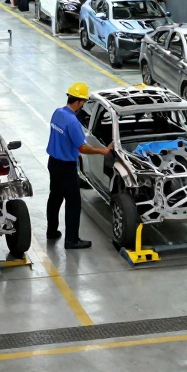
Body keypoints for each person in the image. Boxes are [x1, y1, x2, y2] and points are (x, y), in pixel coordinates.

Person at [46, 82, 112, 249]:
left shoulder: (57, 113)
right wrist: (103, 151)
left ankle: (51, 231)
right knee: (73, 202)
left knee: (55, 197)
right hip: (66, 167)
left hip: (53, 163)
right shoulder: (73, 122)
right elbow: (82, 147)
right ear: (80, 102)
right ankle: (72, 240)